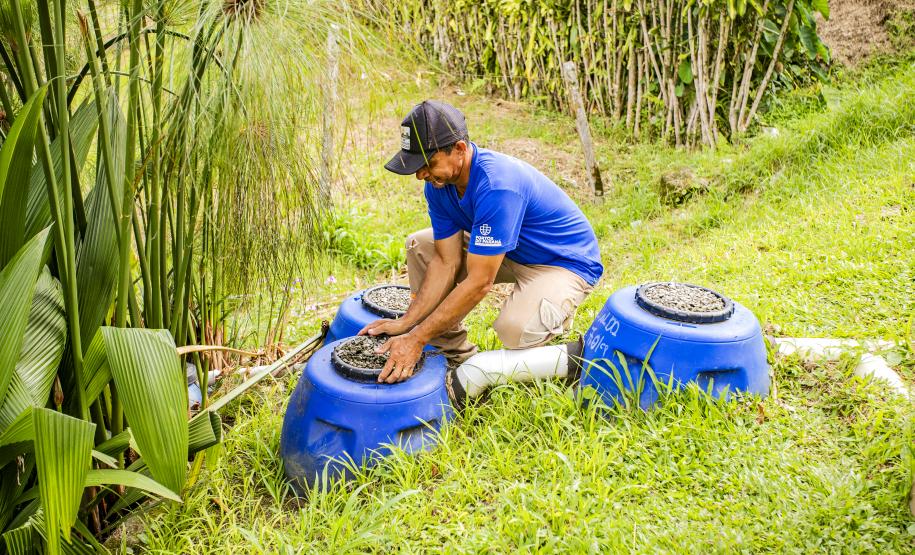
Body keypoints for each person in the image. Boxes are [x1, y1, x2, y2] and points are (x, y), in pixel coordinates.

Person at [359, 100, 603, 389]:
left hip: (561, 262)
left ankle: (570, 352)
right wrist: (407, 323)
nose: (420, 174)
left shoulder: (497, 185)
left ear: (459, 149)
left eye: (428, 164)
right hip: (509, 249)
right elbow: (446, 261)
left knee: (515, 330)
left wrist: (416, 338)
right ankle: (455, 354)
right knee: (421, 245)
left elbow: (479, 283)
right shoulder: (439, 184)